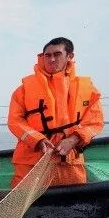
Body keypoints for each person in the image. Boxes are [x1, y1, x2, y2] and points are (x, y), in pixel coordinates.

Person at [7, 37, 104, 188]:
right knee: (27, 207)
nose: (51, 59)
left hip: (70, 163)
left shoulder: (87, 89)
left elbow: (94, 122)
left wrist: (73, 140)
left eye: (57, 54)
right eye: (48, 55)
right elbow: (15, 121)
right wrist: (37, 140)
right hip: (31, 163)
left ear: (69, 56)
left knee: (73, 205)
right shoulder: (23, 90)